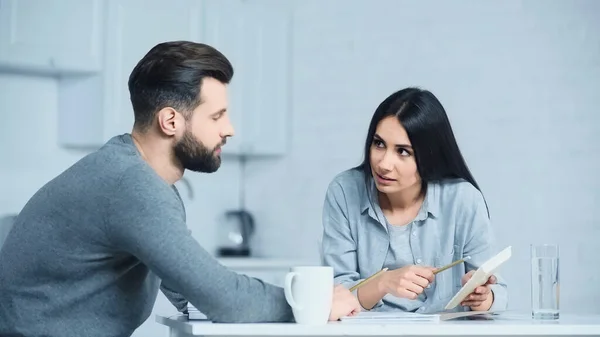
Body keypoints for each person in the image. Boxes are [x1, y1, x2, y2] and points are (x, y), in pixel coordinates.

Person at [0, 41, 360, 337]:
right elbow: (223, 298)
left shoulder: (132, 173)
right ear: (171, 121)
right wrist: (312, 305)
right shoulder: (132, 185)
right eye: (217, 116)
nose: (229, 129)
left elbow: (185, 280)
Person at [320, 87, 507, 314]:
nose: (384, 164)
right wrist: (383, 283)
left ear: (430, 155)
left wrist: (483, 299)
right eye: (379, 144)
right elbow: (335, 297)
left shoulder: (463, 200)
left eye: (403, 151)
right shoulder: (344, 191)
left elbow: (498, 292)